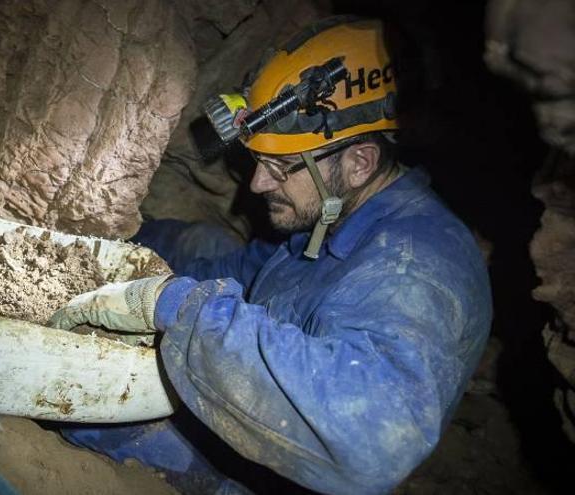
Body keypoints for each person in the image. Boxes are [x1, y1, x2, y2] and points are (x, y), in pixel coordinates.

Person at [49, 16, 492, 495]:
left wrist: (177, 306)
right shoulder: (336, 220)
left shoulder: (413, 269)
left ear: (359, 162)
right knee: (203, 246)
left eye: (280, 168)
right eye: (258, 162)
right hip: (248, 438)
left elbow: (372, 443)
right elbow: (244, 270)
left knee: (79, 406)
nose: (258, 184)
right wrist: (110, 254)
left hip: (272, 481)